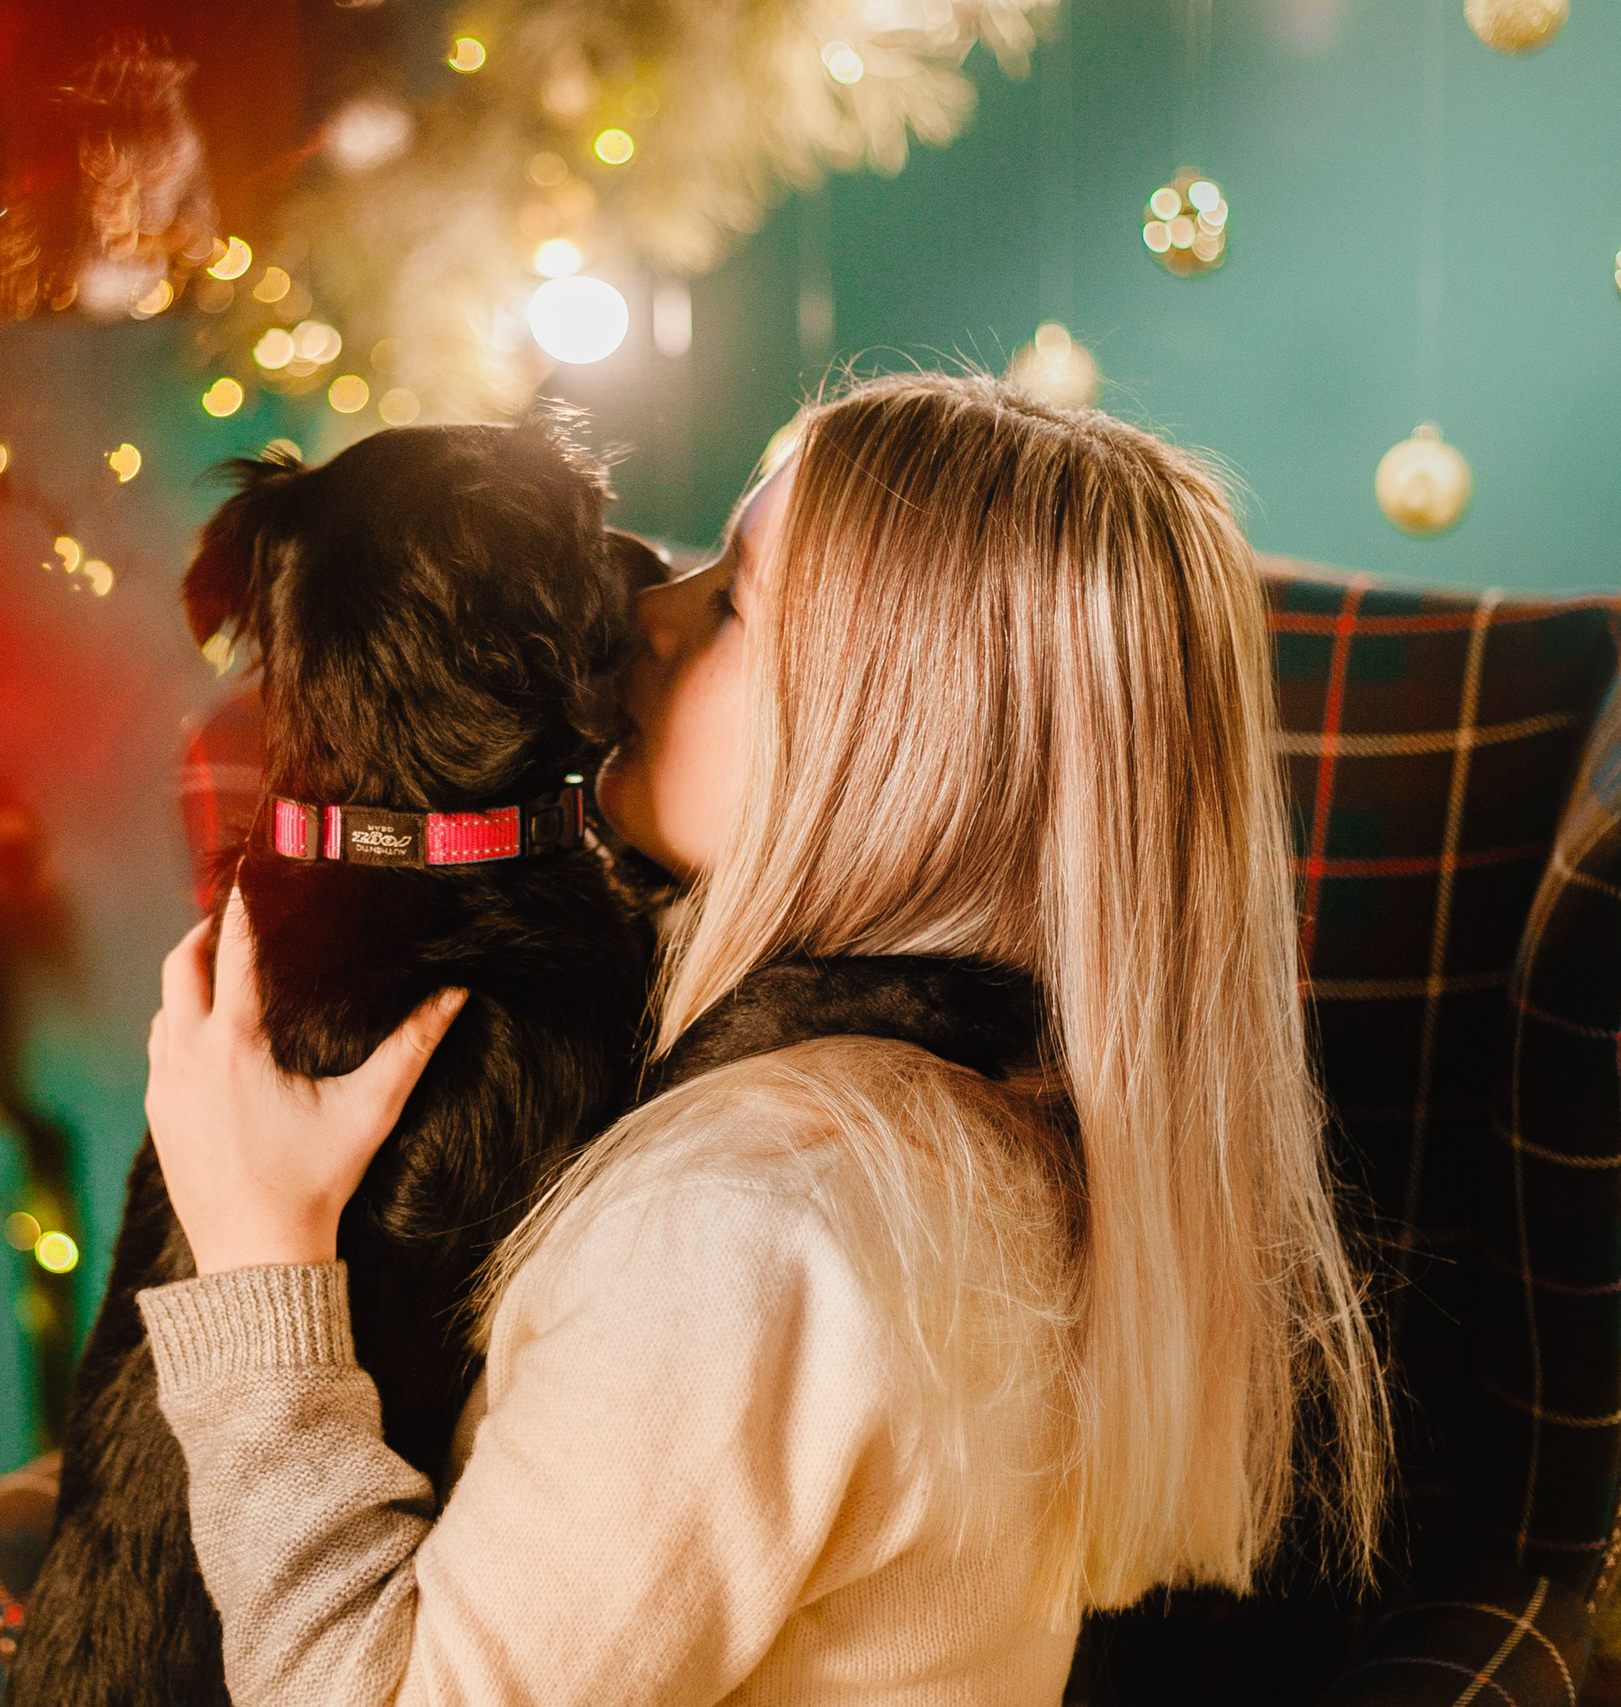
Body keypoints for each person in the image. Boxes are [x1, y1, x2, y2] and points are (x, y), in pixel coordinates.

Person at [135, 372, 1392, 1705]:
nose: (639, 608)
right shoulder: (975, 1118)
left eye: (732, 600)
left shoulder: (746, 1227)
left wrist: (257, 1271)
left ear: (902, 750)